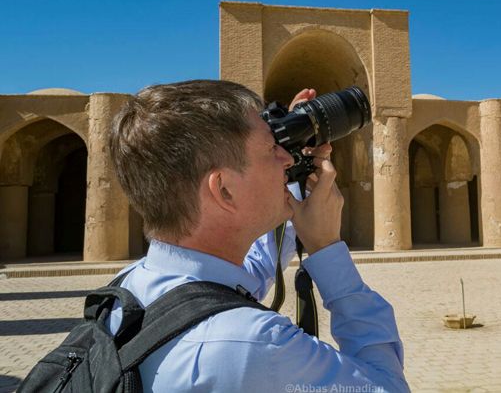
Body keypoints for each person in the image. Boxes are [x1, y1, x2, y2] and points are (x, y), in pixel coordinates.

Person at [107, 79, 409, 392]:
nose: (288, 159)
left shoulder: (126, 291)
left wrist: (292, 181)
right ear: (223, 188)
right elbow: (389, 386)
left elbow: (245, 277)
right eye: (271, 150)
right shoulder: (257, 344)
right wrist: (327, 247)